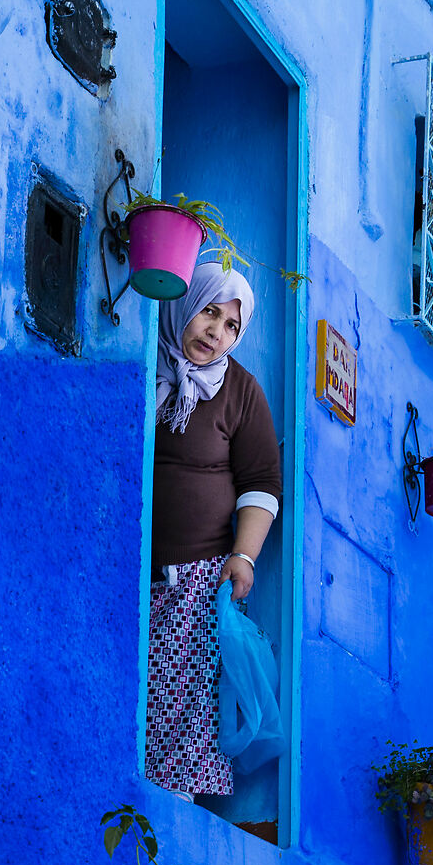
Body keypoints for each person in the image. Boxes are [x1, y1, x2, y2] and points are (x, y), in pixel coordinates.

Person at [145, 260, 281, 795]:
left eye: (232, 325)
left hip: (196, 581)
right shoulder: (140, 357)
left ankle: (172, 815)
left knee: (182, 706)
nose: (216, 333)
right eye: (208, 311)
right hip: (125, 569)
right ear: (185, 301)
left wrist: (243, 557)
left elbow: (262, 481)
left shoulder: (240, 391)